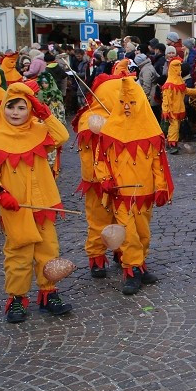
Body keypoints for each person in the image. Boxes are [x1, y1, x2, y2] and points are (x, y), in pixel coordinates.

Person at [0, 82, 71, 322]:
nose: (15, 113)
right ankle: (17, 299)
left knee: (49, 250)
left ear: (30, 110)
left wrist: (42, 111)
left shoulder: (38, 130)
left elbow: (63, 136)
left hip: (44, 203)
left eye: (21, 108)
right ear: (2, 108)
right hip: (15, 207)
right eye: (10, 107)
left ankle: (49, 293)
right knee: (18, 254)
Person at [93, 77, 175, 296]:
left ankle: (140, 263)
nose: (127, 108)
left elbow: (158, 163)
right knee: (128, 233)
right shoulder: (109, 132)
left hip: (144, 192)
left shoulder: (152, 132)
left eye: (132, 103)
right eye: (122, 103)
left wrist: (160, 187)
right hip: (121, 193)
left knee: (143, 232)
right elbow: (100, 160)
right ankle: (131, 269)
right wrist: (105, 180)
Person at [73, 74, 119, 279]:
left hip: (122, 179)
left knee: (122, 219)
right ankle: (97, 257)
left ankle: (123, 251)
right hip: (97, 182)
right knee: (98, 219)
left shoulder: (123, 115)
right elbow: (90, 154)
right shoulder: (89, 117)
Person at [160, 49, 196, 154]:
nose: (180, 69)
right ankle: (172, 145)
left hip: (179, 108)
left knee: (176, 127)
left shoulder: (179, 80)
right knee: (174, 127)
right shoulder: (169, 84)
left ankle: (172, 143)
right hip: (172, 110)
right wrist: (166, 111)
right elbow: (166, 100)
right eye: (177, 67)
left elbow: (185, 90)